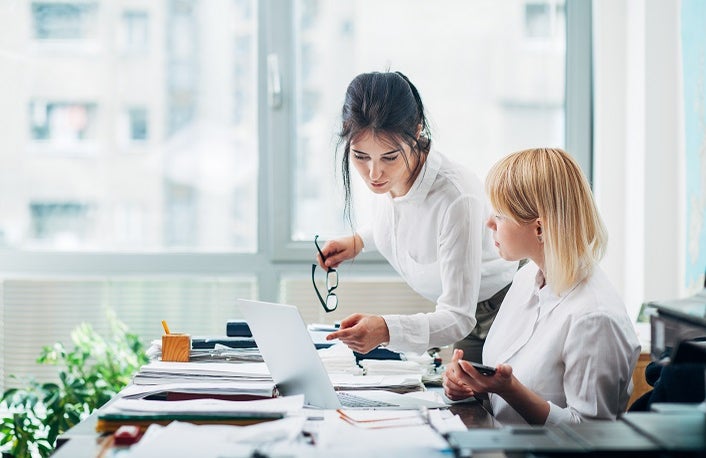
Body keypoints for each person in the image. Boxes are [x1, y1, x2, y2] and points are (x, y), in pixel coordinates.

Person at [317, 71, 518, 360]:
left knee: (477, 402)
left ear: (417, 131)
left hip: (492, 312)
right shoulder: (391, 177)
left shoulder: (456, 197)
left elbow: (459, 316)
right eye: (360, 157)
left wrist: (386, 330)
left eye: (389, 157)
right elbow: (405, 220)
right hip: (456, 311)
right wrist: (359, 241)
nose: (374, 174)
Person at [442, 147, 641, 425]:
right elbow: (497, 396)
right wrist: (468, 387)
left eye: (500, 214)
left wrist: (511, 391)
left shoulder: (594, 317)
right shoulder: (526, 279)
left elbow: (592, 434)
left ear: (539, 229)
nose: (489, 223)